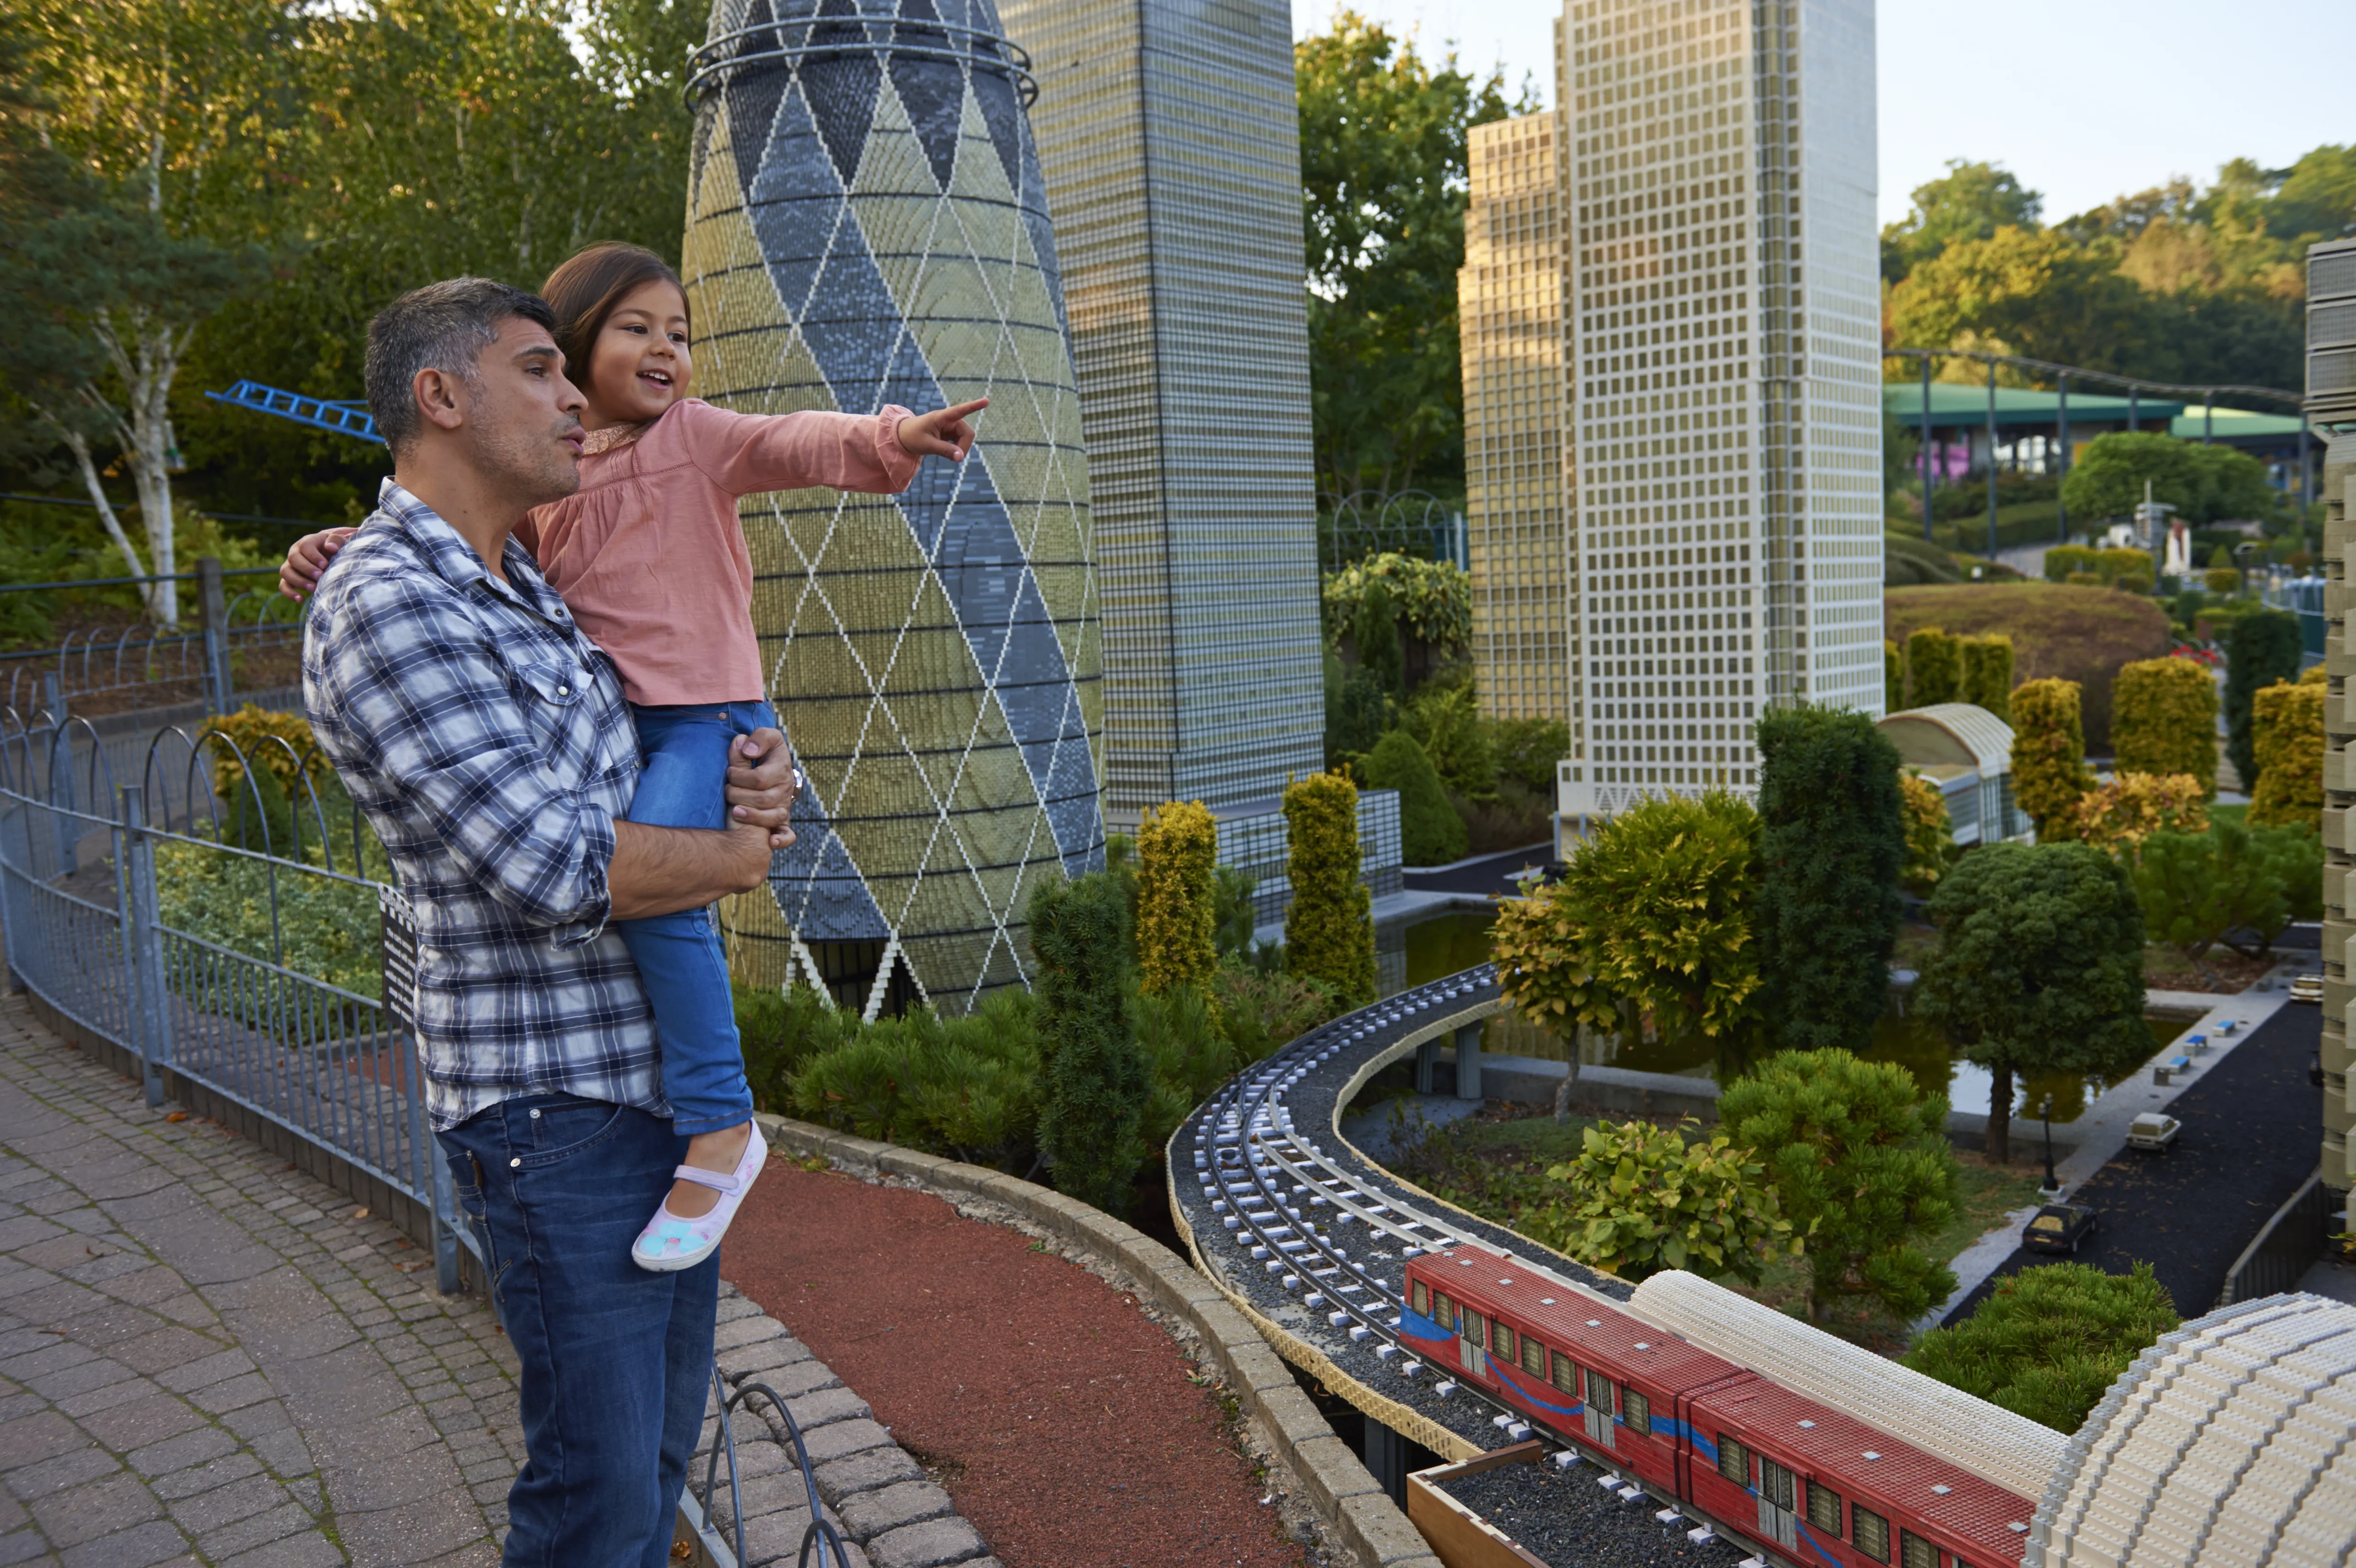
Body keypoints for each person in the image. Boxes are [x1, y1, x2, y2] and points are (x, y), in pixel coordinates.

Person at [284, 242, 983, 1272]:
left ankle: (720, 1120)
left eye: (682, 334)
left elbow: (789, 438)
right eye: (636, 328)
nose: (667, 349)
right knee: (656, 879)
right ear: (574, 346)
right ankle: (710, 1116)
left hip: (699, 713)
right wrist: (342, 538)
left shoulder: (693, 439)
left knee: (660, 901)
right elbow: (456, 535)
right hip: (628, 717)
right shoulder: (552, 475)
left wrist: (895, 434)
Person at [302, 276, 797, 1566]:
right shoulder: (390, 604)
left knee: (648, 1474)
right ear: (443, 397)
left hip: (640, 1102)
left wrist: (750, 777)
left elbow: (634, 770)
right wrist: (732, 858)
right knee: (594, 1502)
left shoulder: (520, 576)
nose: (576, 392)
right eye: (540, 370)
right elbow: (556, 861)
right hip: (550, 1118)